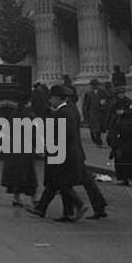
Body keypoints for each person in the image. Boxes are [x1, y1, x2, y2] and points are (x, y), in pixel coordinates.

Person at [32, 85, 89, 221]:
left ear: (58, 98)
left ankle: (79, 205)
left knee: (61, 183)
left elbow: (67, 133)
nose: (50, 100)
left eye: (52, 98)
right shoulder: (63, 111)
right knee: (56, 182)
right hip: (64, 153)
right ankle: (49, 210)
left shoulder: (64, 112)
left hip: (65, 154)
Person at [0, 102, 38, 207]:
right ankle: (34, 198)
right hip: (26, 147)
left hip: (13, 148)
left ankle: (16, 198)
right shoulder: (29, 115)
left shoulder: (13, 114)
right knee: (29, 174)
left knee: (15, 174)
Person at [107, 97, 132, 184]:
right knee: (121, 161)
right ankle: (123, 178)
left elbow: (128, 131)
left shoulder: (127, 118)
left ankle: (127, 177)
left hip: (126, 143)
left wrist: (119, 134)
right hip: (119, 144)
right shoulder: (117, 118)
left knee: (127, 161)